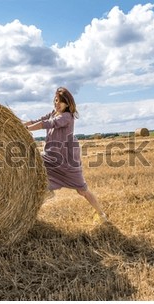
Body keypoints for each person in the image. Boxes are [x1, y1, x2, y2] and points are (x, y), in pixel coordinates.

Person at [24, 87, 108, 221]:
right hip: (50, 157)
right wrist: (17, 125)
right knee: (32, 165)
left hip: (67, 162)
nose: (57, 104)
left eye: (61, 102)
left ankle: (101, 214)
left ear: (68, 104)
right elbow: (37, 121)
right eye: (56, 100)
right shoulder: (53, 113)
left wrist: (26, 129)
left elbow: (48, 124)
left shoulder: (67, 117)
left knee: (82, 190)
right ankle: (45, 191)